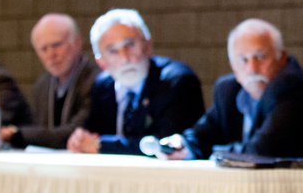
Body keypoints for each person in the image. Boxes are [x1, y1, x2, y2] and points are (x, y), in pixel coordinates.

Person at [161, 19, 303, 165]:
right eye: (243, 59)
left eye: (261, 57)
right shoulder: (228, 91)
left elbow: (259, 152)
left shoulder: (292, 87)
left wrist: (215, 152)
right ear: (233, 67)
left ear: (282, 58)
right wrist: (182, 145)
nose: (252, 68)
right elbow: (201, 136)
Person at [66, 9, 204, 155]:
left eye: (130, 45)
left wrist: (102, 145)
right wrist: (79, 141)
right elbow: (90, 137)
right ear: (102, 63)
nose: (125, 58)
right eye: (113, 51)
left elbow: (164, 145)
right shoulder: (102, 87)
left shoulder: (176, 81)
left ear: (148, 46)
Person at [0, 14, 99, 149]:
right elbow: (41, 133)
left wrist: (13, 133)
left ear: (77, 43)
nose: (51, 54)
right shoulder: (43, 84)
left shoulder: (97, 81)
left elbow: (76, 133)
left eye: (57, 45)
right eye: (44, 49)